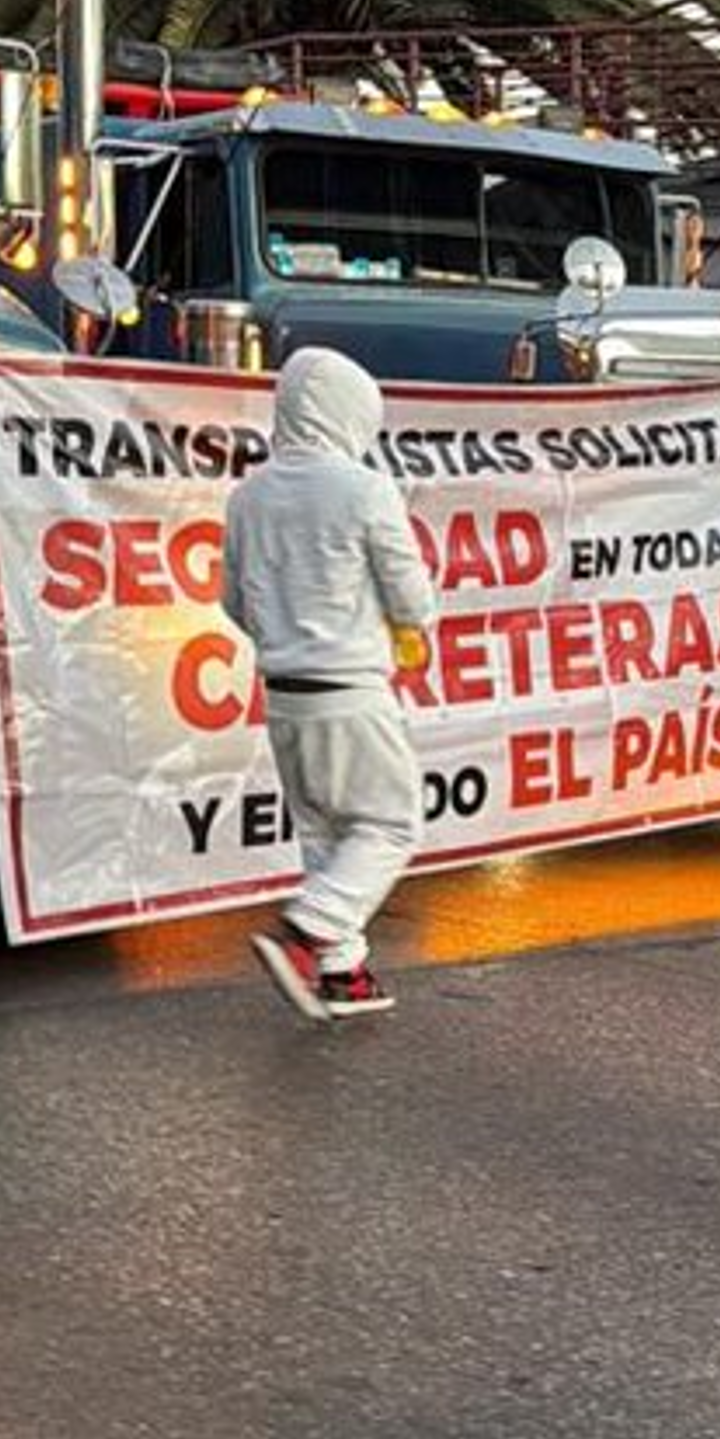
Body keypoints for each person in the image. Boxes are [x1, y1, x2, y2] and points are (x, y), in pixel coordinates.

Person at [218, 347, 436, 1022]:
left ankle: (343, 974)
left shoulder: (247, 495)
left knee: (324, 833)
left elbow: (232, 603)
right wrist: (408, 627)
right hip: (350, 687)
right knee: (391, 823)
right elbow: (410, 592)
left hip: (282, 693)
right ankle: (311, 933)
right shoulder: (363, 488)